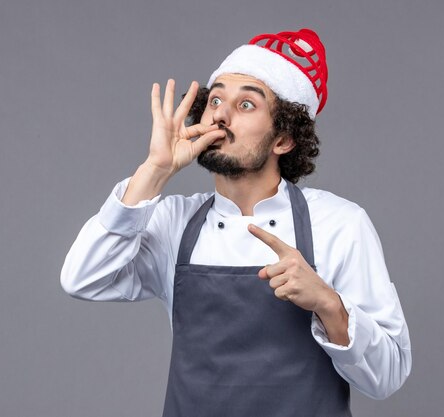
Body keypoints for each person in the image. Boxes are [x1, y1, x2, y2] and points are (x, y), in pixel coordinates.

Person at [61, 28, 411, 417]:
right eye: (215, 100)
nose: (221, 114)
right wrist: (154, 170)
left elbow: (387, 376)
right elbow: (82, 278)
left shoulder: (340, 224)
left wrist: (329, 304)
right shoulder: (174, 222)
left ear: (283, 140)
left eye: (246, 105)